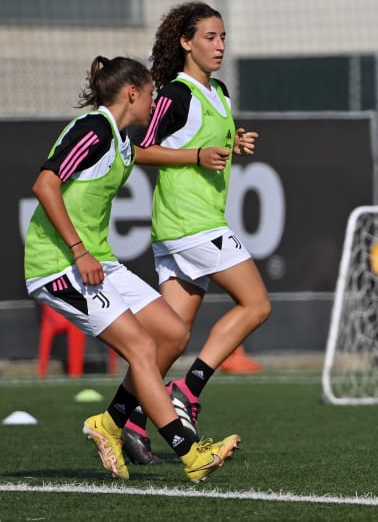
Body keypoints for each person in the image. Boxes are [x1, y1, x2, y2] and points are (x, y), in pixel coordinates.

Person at [23, 56, 239, 482]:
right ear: (132, 93)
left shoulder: (118, 139)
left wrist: (200, 153)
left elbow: (145, 153)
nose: (156, 101)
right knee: (141, 347)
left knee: (173, 334)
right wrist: (79, 251)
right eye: (150, 93)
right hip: (60, 265)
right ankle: (191, 453)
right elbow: (45, 184)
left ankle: (108, 424)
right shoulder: (93, 129)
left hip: (98, 261)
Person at [121, 1, 271, 465]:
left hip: (191, 225)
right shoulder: (173, 94)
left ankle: (126, 419)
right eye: (210, 37)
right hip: (190, 224)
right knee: (258, 304)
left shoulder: (219, 91)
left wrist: (234, 144)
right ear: (186, 43)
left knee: (170, 337)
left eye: (223, 36)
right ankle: (188, 389)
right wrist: (196, 157)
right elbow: (136, 151)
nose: (220, 45)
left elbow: (205, 145)